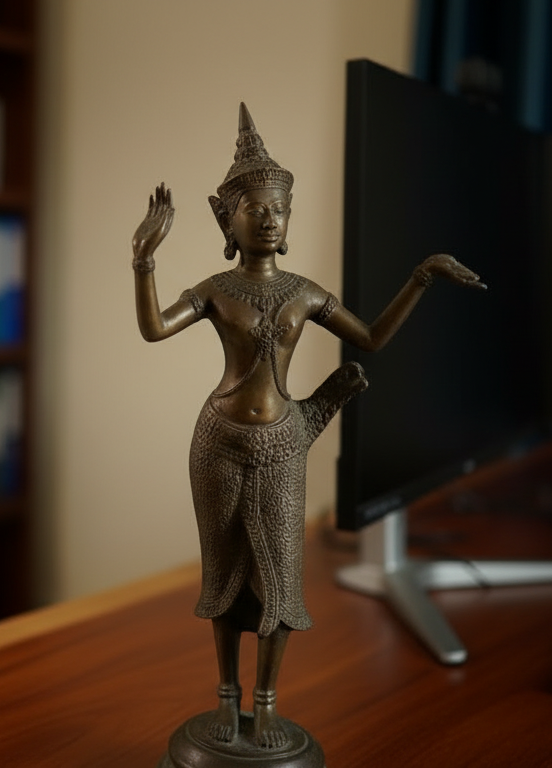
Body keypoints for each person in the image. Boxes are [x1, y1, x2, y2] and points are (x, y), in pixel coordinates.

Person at [133, 103, 484, 750]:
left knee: (280, 580)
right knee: (222, 577)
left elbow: (372, 340)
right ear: (225, 218)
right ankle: (226, 698)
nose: (268, 218)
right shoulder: (215, 289)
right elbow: (154, 328)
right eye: (255, 208)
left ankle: (265, 704)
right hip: (216, 442)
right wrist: (144, 259)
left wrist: (420, 278)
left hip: (282, 444)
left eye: (279, 209)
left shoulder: (305, 292)